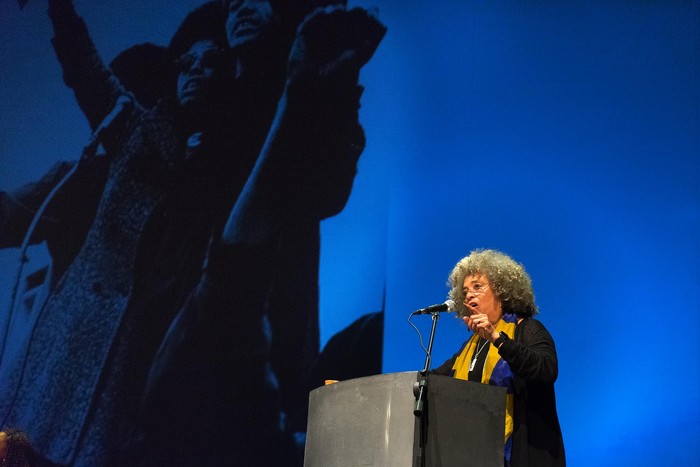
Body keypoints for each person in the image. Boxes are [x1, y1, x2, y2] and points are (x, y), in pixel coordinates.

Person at [431, 249, 565, 467]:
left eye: (477, 287)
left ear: (502, 291)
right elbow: (436, 379)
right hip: (477, 456)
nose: (468, 295)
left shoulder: (528, 329)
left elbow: (546, 369)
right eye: (464, 292)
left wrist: (497, 338)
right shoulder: (470, 347)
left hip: (522, 456)